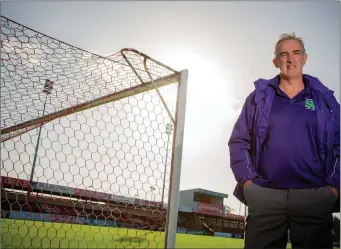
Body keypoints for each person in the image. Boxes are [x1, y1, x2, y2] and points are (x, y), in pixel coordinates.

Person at [228, 32, 340, 249]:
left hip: (314, 196)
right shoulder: (258, 98)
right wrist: (248, 183)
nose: (290, 59)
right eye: (284, 54)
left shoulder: (325, 99)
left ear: (305, 58)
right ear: (275, 61)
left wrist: (334, 187)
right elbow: (239, 141)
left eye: (296, 53)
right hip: (265, 196)